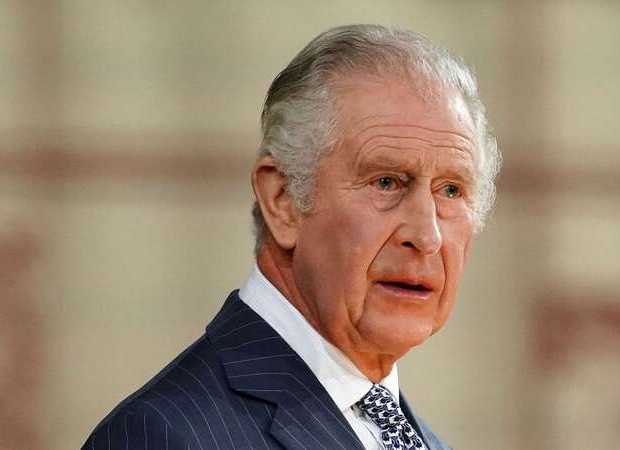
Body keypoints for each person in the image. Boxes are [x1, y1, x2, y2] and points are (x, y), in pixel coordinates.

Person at [82, 24, 500, 450]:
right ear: (283, 200)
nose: (427, 236)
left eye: (451, 190)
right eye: (387, 182)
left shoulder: (425, 443)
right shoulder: (164, 437)